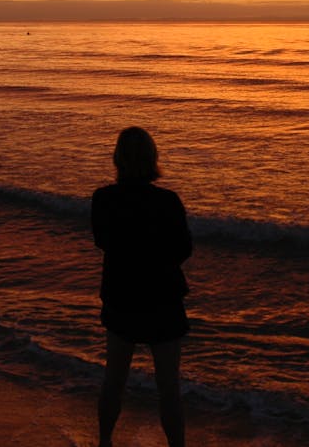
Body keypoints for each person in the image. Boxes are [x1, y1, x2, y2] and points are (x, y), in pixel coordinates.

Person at [91, 126, 192, 447]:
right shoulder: (168, 201)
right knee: (168, 387)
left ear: (117, 159)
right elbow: (183, 249)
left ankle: (105, 442)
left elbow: (102, 241)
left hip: (122, 297)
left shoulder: (103, 198)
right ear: (153, 159)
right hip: (163, 299)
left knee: (114, 381)